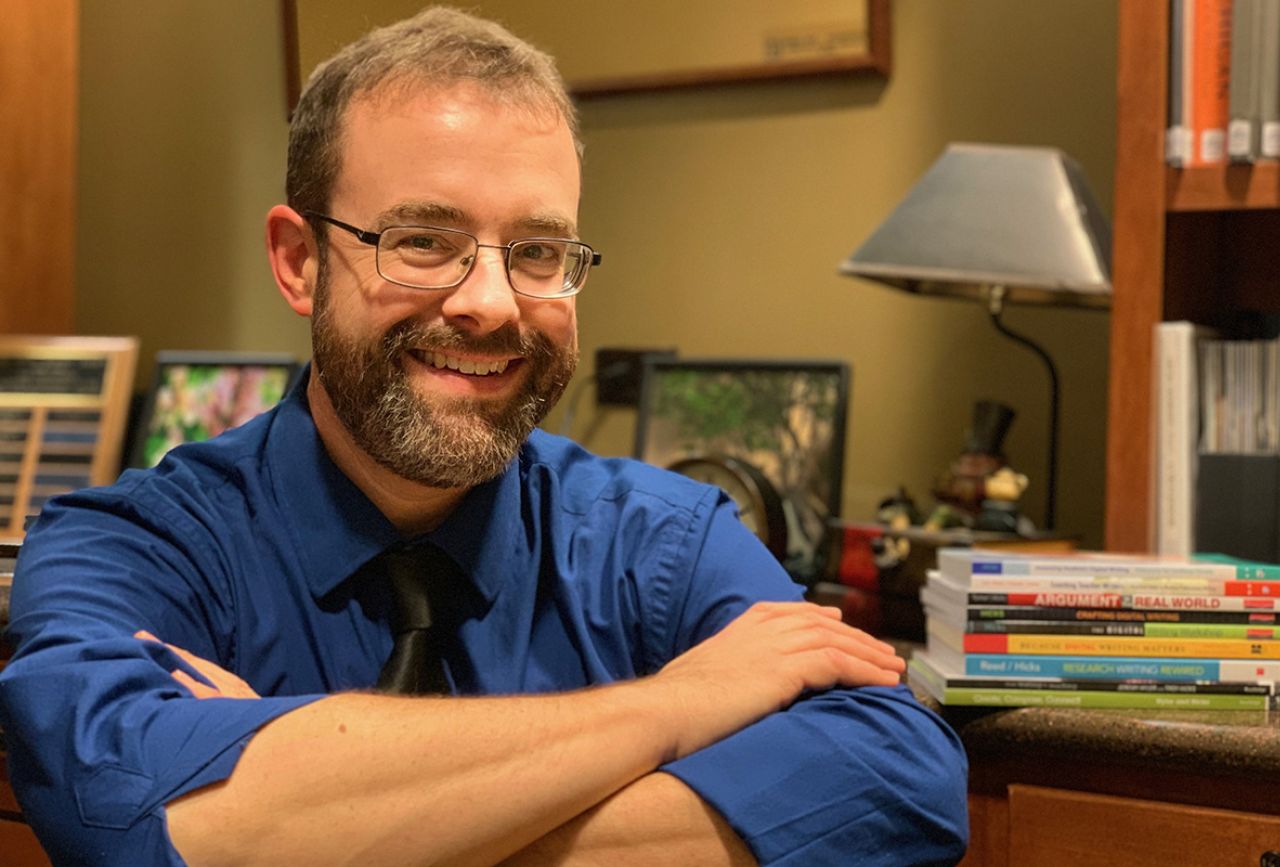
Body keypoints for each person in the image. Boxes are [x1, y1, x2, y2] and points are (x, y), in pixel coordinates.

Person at [0, 6, 969, 865]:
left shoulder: (661, 545)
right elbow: (121, 810)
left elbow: (898, 775)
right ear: (299, 263)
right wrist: (673, 707)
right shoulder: (133, 550)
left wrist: (312, 821)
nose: (493, 304)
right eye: (423, 241)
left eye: (539, 252)